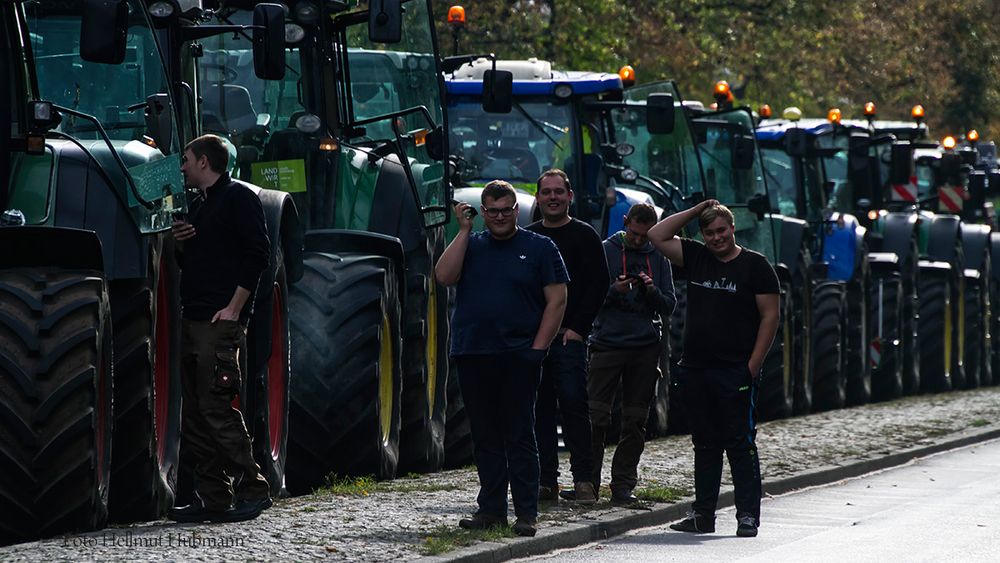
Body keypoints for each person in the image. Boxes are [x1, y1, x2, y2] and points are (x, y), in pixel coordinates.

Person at [435, 180, 568, 537]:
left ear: (516, 210)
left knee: (520, 433)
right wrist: (463, 231)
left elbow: (557, 301)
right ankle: (491, 509)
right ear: (482, 212)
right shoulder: (472, 245)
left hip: (519, 355)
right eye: (491, 211)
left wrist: (537, 350)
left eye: (506, 210)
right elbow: (443, 276)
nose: (499, 217)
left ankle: (527, 512)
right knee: (485, 435)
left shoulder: (540, 247)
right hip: (473, 352)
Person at [647, 199, 779, 538]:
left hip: (735, 371)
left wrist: (752, 366)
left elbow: (770, 317)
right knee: (704, 444)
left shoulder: (756, 266)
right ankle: (702, 514)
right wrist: (694, 211)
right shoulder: (696, 257)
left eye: (721, 230)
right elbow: (656, 235)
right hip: (696, 369)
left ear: (732, 228)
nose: (717, 238)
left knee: (740, 444)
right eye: (709, 233)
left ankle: (747, 515)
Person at [167, 134, 272, 523]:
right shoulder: (198, 205)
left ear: (205, 163)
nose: (182, 168)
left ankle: (254, 488)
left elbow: (258, 255)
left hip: (219, 324)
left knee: (216, 409)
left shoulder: (239, 199)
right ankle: (212, 496)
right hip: (193, 319)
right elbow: (196, 262)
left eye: (187, 160)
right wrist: (181, 244)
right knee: (194, 414)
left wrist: (234, 309)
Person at [526, 170, 609, 504]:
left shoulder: (585, 235)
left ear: (570, 196)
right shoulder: (528, 237)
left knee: (574, 406)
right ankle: (547, 481)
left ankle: (584, 480)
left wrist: (579, 328)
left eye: (559, 192)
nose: (553, 198)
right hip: (535, 341)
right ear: (539, 197)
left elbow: (598, 285)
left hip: (569, 338)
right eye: (546, 192)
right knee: (539, 410)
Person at [587, 203, 676, 505]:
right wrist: (615, 290)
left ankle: (623, 485)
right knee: (596, 417)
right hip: (607, 343)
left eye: (645, 236)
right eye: (635, 234)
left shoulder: (659, 257)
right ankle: (589, 482)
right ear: (625, 223)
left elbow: (670, 305)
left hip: (645, 348)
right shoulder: (604, 251)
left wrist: (651, 291)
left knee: (636, 420)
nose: (639, 241)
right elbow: (588, 299)